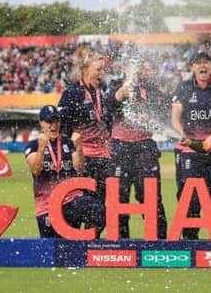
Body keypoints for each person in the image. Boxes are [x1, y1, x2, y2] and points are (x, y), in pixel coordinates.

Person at [171, 52, 211, 239]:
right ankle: (190, 240)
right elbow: (175, 117)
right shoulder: (183, 87)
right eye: (198, 63)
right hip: (190, 151)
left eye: (206, 62)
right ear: (192, 68)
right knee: (190, 198)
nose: (202, 66)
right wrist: (182, 135)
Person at [105, 57, 168, 239]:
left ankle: (159, 241)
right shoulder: (115, 84)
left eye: (140, 67)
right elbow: (106, 107)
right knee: (118, 196)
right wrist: (118, 95)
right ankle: (120, 243)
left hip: (144, 146)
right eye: (133, 67)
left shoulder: (150, 87)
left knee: (151, 195)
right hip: (120, 146)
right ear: (124, 68)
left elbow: (163, 110)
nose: (137, 71)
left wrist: (151, 115)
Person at [25, 105, 104, 238]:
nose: (53, 125)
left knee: (99, 212)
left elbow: (79, 168)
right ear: (41, 123)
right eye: (49, 121)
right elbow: (36, 170)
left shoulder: (68, 142)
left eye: (56, 121)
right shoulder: (33, 145)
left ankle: (87, 243)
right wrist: (41, 148)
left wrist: (79, 148)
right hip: (47, 206)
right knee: (51, 251)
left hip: (72, 201)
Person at [58, 52, 111, 202]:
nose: (102, 73)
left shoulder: (105, 90)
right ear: (86, 70)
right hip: (82, 157)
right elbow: (62, 125)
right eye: (98, 69)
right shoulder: (72, 93)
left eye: (103, 69)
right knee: (81, 203)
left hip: (105, 157)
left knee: (101, 207)